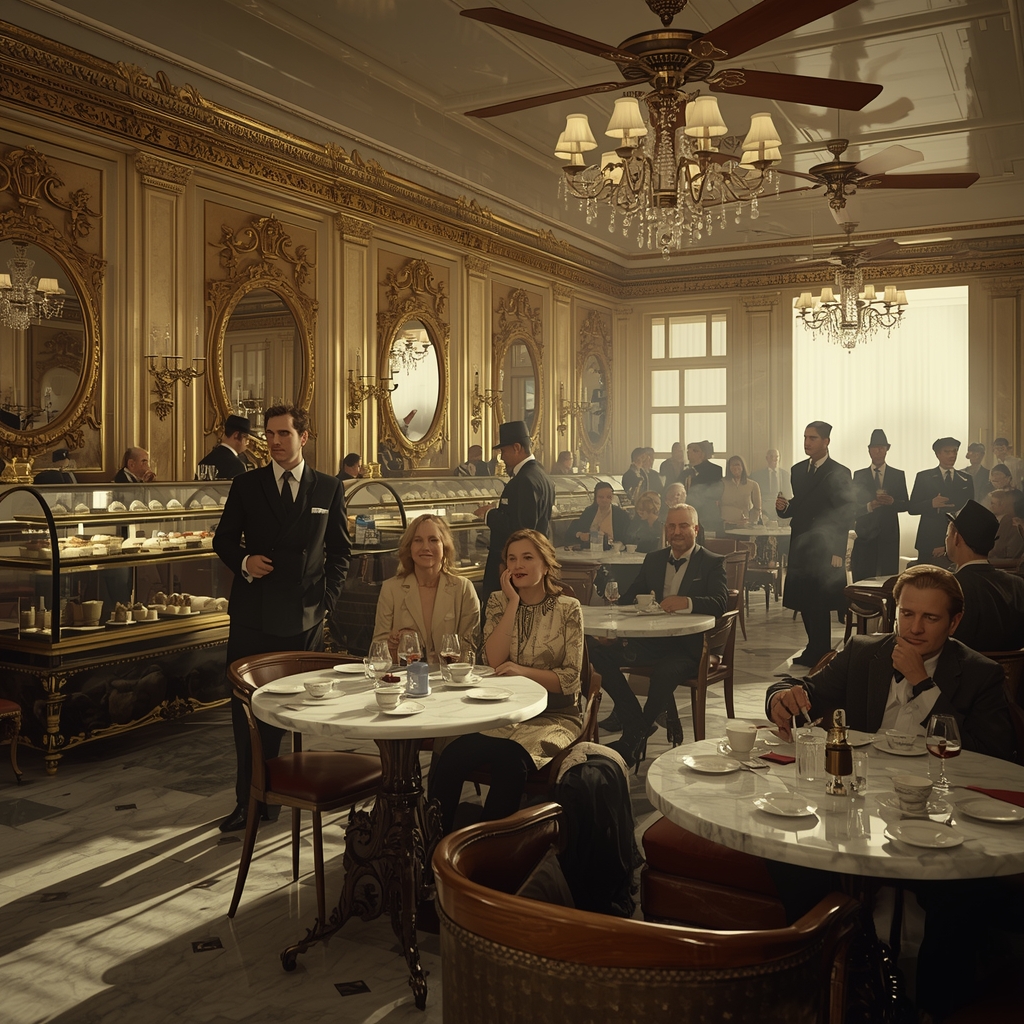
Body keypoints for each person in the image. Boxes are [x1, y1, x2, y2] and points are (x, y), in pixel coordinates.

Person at [212, 403, 351, 832]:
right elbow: (222, 540)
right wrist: (245, 561)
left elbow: (340, 552)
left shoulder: (328, 487)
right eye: (269, 434)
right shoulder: (246, 484)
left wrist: (326, 602)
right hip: (253, 615)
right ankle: (249, 802)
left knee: (294, 712)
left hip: (304, 618)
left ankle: (289, 793)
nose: (274, 441)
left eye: (283, 434)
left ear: (303, 437)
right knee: (248, 713)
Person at [766, 564, 1012, 760]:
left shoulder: (981, 674)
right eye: (907, 614)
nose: (915, 628)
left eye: (930, 618)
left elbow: (995, 756)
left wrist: (923, 684)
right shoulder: (862, 653)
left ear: (954, 622)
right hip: (865, 786)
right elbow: (805, 691)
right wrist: (780, 698)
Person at [430, 529, 583, 835]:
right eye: (512, 559)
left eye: (527, 557)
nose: (518, 565)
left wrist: (523, 671)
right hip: (502, 713)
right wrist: (513, 601)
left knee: (510, 761)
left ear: (546, 564)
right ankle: (433, 842)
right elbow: (494, 661)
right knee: (452, 754)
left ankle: (491, 846)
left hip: (554, 715)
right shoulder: (499, 601)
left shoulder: (568, 607)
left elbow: (569, 679)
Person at [587, 504, 729, 768]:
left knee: (664, 672)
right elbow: (629, 598)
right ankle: (636, 722)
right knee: (596, 652)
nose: (677, 532)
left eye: (683, 526)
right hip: (650, 642)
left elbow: (721, 602)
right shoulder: (654, 559)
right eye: (671, 526)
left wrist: (686, 602)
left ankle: (633, 737)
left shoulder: (711, 561)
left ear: (696, 529)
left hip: (688, 648)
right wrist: (612, 630)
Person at [776, 421, 856, 666]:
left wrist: (838, 551)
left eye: (813, 438)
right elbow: (800, 505)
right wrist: (784, 508)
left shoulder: (839, 472)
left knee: (819, 602)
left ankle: (821, 651)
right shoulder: (798, 470)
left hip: (825, 545)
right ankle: (813, 648)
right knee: (803, 599)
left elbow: (845, 512)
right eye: (805, 437)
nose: (807, 442)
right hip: (801, 542)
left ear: (826, 441)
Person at [371, 514, 479, 665]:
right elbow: (378, 652)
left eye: (433, 540)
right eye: (418, 540)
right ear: (409, 547)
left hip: (451, 676)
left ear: (445, 546)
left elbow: (469, 650)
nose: (426, 547)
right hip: (405, 677)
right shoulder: (391, 589)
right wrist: (392, 647)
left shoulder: (463, 589)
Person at [475, 420, 555, 602]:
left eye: (503, 451)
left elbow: (520, 527)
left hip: (514, 567)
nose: (502, 458)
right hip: (534, 561)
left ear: (517, 448)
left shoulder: (524, 480)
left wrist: (489, 514)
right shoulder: (542, 475)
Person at [944, 499, 1024, 652]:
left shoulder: (950, 587)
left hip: (963, 666)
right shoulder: (1018, 585)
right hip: (1015, 667)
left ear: (956, 538)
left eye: (948, 534)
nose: (946, 539)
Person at [850, 428, 909, 581]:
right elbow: (852, 507)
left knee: (888, 577)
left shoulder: (897, 475)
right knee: (864, 577)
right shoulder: (859, 475)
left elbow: (906, 505)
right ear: (869, 450)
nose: (878, 451)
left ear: (887, 450)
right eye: (875, 447)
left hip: (889, 533)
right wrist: (869, 506)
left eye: (882, 447)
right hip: (865, 534)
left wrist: (893, 502)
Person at [908, 437, 973, 566]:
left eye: (955, 451)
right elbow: (912, 508)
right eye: (947, 452)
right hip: (929, 539)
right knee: (927, 576)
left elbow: (970, 512)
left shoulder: (966, 478)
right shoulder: (924, 477)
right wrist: (931, 503)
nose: (952, 455)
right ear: (938, 454)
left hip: (957, 540)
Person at [568, 481, 631, 549]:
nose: (604, 500)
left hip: (613, 551)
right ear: (596, 497)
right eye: (601, 497)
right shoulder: (589, 512)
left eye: (608, 497)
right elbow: (573, 532)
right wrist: (580, 535)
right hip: (589, 550)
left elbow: (627, 537)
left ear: (612, 497)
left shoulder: (621, 514)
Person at [682, 440, 723, 535]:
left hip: (709, 516)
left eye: (695, 450)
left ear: (703, 454)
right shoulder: (684, 472)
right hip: (689, 514)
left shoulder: (715, 470)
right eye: (688, 450)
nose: (689, 453)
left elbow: (716, 492)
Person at [197, 415, 250, 480]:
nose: (248, 442)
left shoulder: (204, 462)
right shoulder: (237, 466)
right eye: (246, 437)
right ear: (236, 435)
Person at [719, 455, 761, 527]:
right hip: (724, 524)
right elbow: (716, 505)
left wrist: (749, 521)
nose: (735, 467)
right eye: (732, 465)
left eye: (737, 464)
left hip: (744, 525)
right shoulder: (721, 483)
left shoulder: (753, 485)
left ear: (742, 466)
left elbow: (757, 509)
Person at [989, 487, 1024, 567]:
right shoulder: (1006, 520)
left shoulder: (1017, 526)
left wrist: (985, 562)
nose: (1004, 505)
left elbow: (1014, 559)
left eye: (1007, 503)